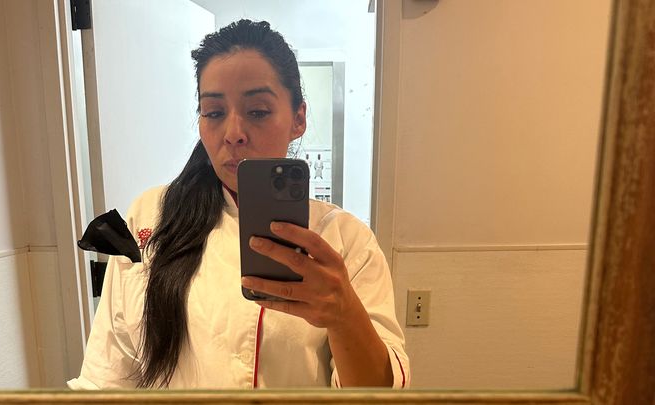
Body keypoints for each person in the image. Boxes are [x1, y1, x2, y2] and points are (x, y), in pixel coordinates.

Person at [68, 19, 409, 390]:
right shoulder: (150, 217)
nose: (233, 134)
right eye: (214, 112)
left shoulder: (346, 241)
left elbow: (379, 392)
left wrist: (345, 317)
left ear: (298, 119)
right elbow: (107, 377)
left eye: (258, 111)